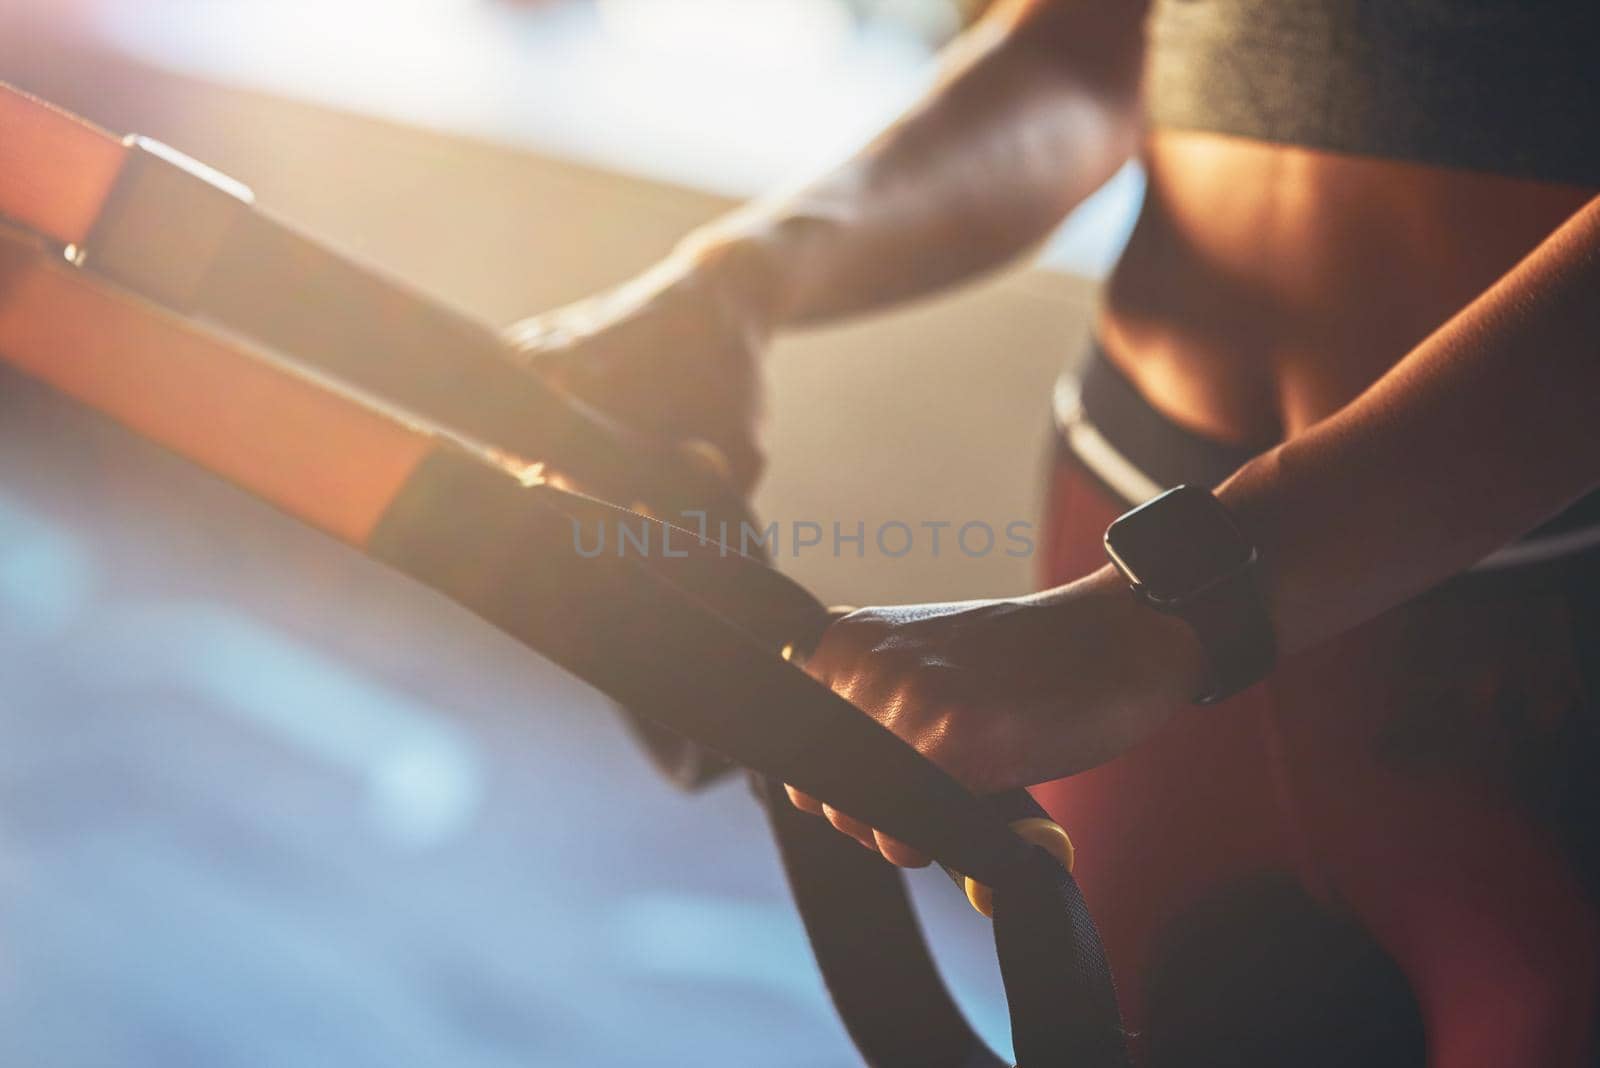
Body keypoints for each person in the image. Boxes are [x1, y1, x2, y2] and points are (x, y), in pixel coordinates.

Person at [509, 1, 1600, 1062]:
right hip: (1126, 511)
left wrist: (1161, 616)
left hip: (1531, 586)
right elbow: (1084, 48)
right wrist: (746, 277)